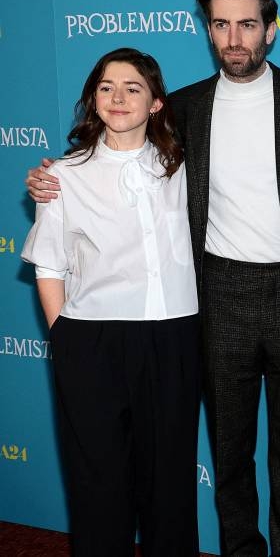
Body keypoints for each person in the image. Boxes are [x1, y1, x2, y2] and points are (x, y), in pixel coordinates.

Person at [27, 0, 280, 557]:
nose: (234, 37)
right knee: (228, 453)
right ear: (208, 32)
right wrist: (50, 177)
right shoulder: (187, 109)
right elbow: (114, 153)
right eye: (221, 25)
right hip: (217, 294)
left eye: (247, 24)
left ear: (271, 29)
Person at [21, 48, 200, 556]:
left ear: (157, 103)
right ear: (92, 99)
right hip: (92, 338)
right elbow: (50, 264)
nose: (117, 97)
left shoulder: (185, 166)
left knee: (169, 482)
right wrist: (65, 336)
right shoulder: (65, 174)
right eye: (106, 87)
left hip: (173, 335)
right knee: (98, 479)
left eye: (132, 88)